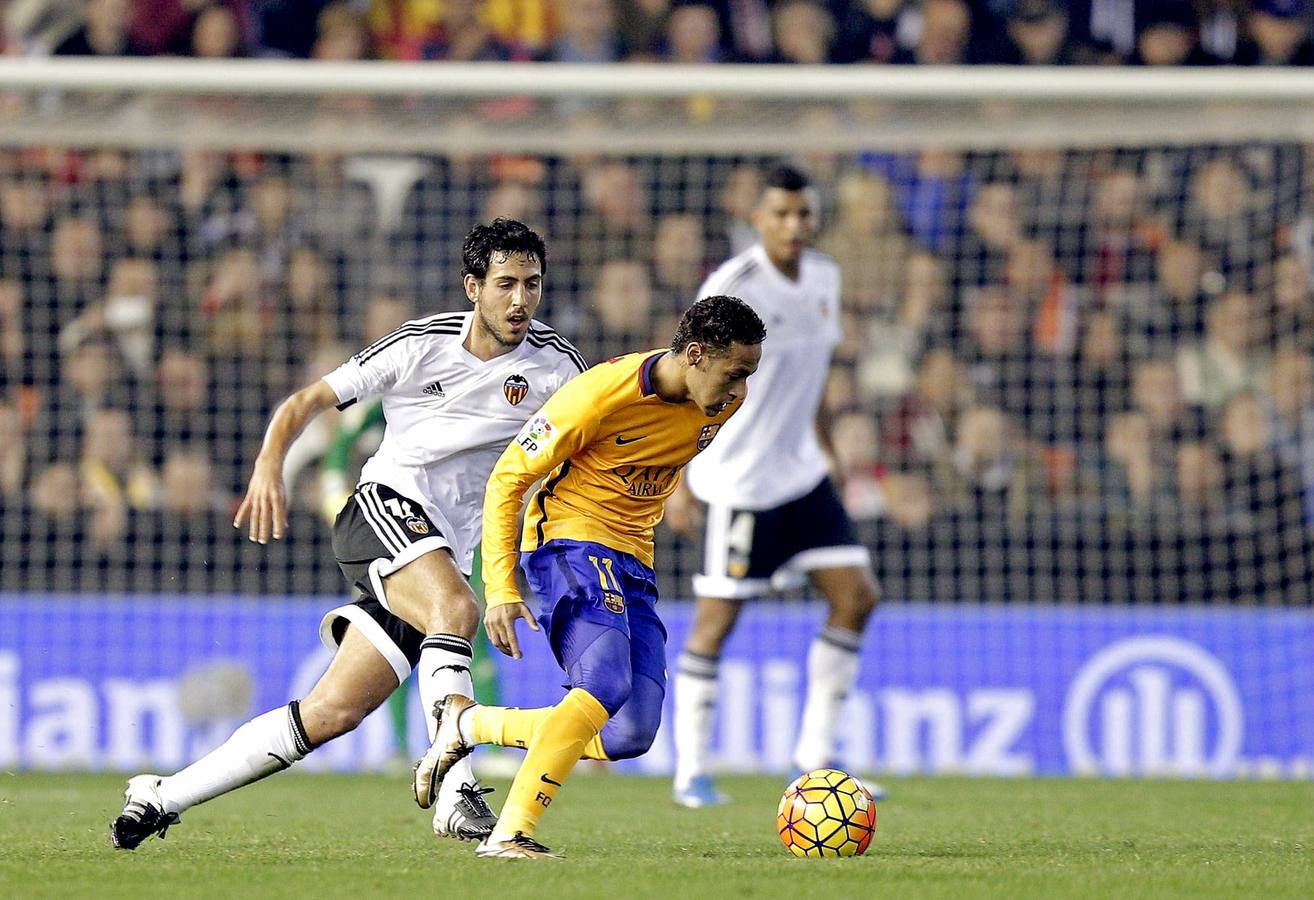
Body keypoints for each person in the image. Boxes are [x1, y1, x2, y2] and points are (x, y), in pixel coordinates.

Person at [110, 218, 587, 849]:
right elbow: (306, 400)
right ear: (473, 287)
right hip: (383, 510)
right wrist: (268, 466)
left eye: (531, 284)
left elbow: (585, 453)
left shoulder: (559, 366)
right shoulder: (420, 345)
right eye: (505, 284)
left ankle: (161, 795)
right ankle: (455, 789)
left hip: (445, 545)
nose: (521, 299)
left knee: (330, 713)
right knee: (456, 607)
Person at [412, 295, 766, 859]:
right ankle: (510, 835)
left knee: (631, 735)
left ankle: (467, 723)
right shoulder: (599, 394)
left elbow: (658, 458)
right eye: (735, 375)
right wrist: (501, 588)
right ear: (696, 354)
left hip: (635, 559)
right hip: (569, 542)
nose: (741, 392)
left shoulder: (718, 403)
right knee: (602, 683)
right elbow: (508, 478)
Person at [665, 164, 883, 809]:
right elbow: (681, 378)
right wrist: (676, 477)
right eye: (780, 215)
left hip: (803, 474)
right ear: (757, 219)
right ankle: (690, 772)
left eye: (803, 215)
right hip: (738, 483)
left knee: (857, 597)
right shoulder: (733, 287)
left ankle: (816, 757)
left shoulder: (826, 277)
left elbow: (810, 373)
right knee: (716, 622)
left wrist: (824, 443)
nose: (793, 226)